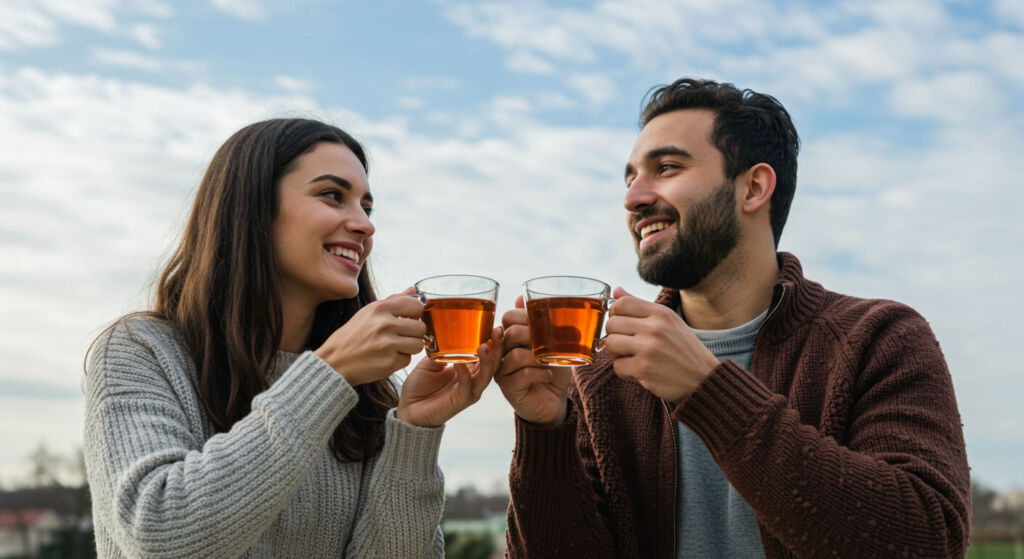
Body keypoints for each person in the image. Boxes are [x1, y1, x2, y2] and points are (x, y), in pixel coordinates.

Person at [495, 79, 970, 558]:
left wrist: (708, 390)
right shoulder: (601, 376)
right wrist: (545, 432)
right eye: (630, 178)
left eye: (666, 167)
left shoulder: (880, 338)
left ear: (754, 187)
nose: (633, 198)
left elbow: (927, 541)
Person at [84, 118, 503, 558]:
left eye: (367, 207)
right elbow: (161, 538)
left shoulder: (372, 391)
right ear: (250, 209)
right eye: (332, 195)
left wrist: (415, 430)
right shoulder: (141, 351)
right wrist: (329, 372)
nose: (364, 225)